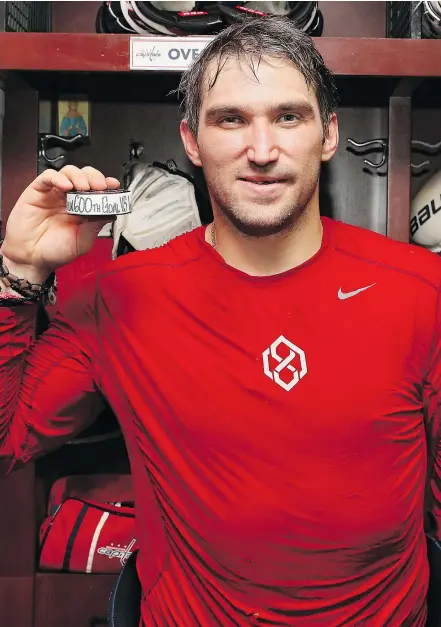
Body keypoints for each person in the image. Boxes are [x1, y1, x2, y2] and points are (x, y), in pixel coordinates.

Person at [0, 15, 439, 627]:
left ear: (330, 134)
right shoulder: (122, 296)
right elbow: (9, 434)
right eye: (230, 119)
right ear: (192, 141)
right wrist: (18, 272)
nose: (262, 151)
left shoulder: (423, 292)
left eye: (289, 116)